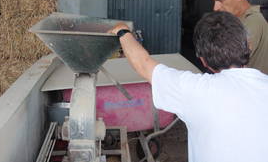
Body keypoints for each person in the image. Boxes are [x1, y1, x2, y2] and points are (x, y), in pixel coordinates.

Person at [109, 12, 268, 162]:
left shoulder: (195, 90)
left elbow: (143, 64)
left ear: (202, 60)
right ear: (249, 45)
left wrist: (123, 31)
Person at [208, 0, 268, 74]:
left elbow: (228, 65)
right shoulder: (236, 20)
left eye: (221, 1)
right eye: (214, 1)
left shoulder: (252, 21)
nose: (215, 8)